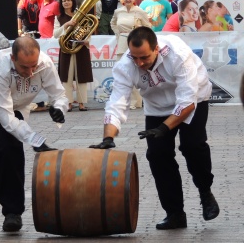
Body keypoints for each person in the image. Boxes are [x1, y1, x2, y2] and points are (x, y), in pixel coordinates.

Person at [90, 26, 220, 230]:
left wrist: (164, 128)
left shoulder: (178, 54)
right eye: (135, 58)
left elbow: (187, 101)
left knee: (192, 146)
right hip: (157, 106)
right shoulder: (126, 65)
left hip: (194, 98)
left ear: (156, 49)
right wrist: (109, 137)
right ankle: (175, 213)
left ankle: (205, 191)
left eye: (144, 58)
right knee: (157, 155)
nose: (139, 63)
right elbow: (116, 103)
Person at [0, 37, 67, 232]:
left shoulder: (45, 63)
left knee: (11, 151)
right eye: (25, 67)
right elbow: (5, 118)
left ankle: (13, 212)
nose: (31, 72)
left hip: (18, 107)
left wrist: (59, 108)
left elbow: (59, 94)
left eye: (34, 66)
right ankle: (9, 202)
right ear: (13, 57)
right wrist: (36, 140)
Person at [111, 0, 151, 109]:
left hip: (136, 42)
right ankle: (122, 100)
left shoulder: (140, 11)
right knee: (121, 72)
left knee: (135, 72)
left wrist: (140, 30)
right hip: (123, 42)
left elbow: (148, 26)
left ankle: (136, 101)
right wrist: (119, 35)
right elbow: (113, 23)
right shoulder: (118, 11)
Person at [54, 0, 93, 112]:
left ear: (73, 2)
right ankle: (69, 103)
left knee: (82, 76)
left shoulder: (80, 15)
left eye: (68, 0)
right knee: (67, 77)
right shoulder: (59, 17)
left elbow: (88, 30)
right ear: (61, 3)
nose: (66, 2)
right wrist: (66, 25)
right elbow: (55, 34)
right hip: (66, 49)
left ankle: (82, 103)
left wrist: (86, 41)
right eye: (64, 1)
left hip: (80, 48)